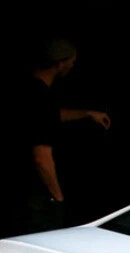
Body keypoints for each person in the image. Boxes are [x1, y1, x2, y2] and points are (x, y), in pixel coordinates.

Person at [20, 37, 111, 235]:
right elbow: (41, 156)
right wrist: (57, 196)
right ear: (60, 62)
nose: (72, 66)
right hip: (34, 195)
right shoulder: (41, 97)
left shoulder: (30, 89)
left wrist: (87, 114)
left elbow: (50, 116)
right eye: (72, 62)